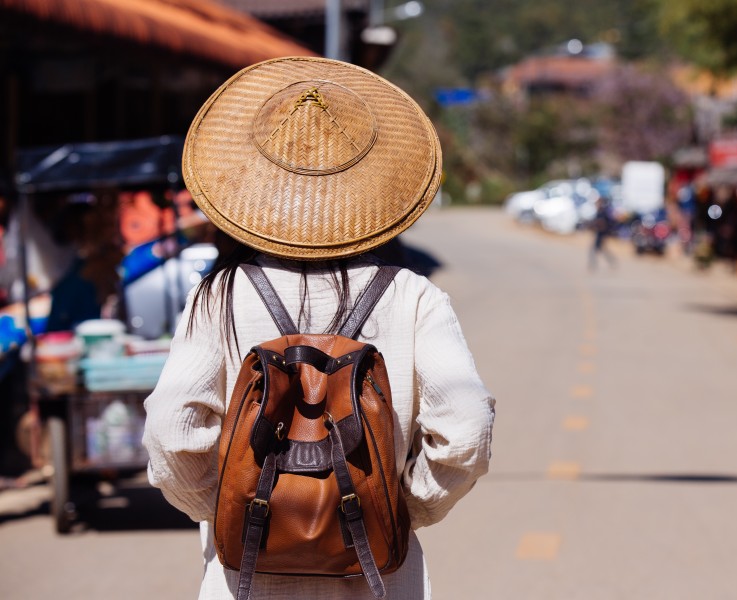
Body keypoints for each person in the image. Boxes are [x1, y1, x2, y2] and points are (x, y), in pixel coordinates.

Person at [142, 57, 495, 599]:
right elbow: (466, 429)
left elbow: (172, 430)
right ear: (373, 187)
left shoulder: (217, 297)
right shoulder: (413, 296)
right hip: (381, 580)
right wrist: (400, 509)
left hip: (246, 582)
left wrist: (224, 506)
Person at [589, 195, 617, 270]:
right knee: (601, 250)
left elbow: (603, 224)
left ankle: (593, 265)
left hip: (601, 234)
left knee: (596, 250)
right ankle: (610, 262)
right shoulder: (600, 211)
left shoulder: (603, 212)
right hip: (599, 233)